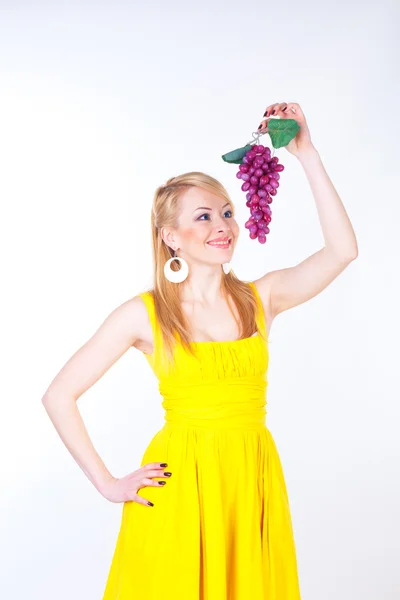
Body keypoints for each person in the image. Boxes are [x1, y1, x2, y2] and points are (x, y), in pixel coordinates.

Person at [41, 102, 358, 599]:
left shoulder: (262, 298)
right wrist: (107, 483)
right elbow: (58, 396)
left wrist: (307, 154)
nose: (222, 225)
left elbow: (343, 251)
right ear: (171, 238)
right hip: (180, 488)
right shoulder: (143, 314)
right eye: (204, 216)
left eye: (228, 213)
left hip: (249, 479)